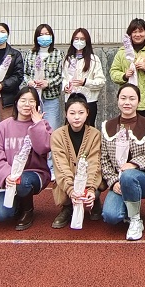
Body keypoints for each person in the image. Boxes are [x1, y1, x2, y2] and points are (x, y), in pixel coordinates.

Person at [100, 84, 145, 241]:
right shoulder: (107, 126)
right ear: (117, 100)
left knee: (128, 176)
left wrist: (133, 164)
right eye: (123, 98)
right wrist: (113, 182)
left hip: (144, 179)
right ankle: (128, 209)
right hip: (118, 181)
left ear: (138, 101)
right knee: (110, 216)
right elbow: (104, 160)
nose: (127, 102)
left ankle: (135, 219)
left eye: (132, 98)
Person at [0, 87, 52, 231]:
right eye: (23, 100)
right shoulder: (4, 126)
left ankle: (27, 210)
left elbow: (43, 148)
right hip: (9, 176)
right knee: (0, 215)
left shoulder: (42, 124)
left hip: (33, 173)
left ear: (37, 105)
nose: (27, 104)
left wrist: (37, 124)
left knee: (22, 181)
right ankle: (17, 201)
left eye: (31, 101)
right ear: (16, 102)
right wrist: (6, 175)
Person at [50, 94, 103, 229]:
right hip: (67, 181)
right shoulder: (57, 135)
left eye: (81, 112)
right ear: (66, 114)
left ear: (87, 113)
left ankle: (95, 201)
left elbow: (95, 163)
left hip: (87, 180)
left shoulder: (95, 134)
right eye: (72, 113)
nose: (77, 117)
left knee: (96, 187)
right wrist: (71, 189)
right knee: (63, 183)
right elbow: (60, 166)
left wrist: (90, 189)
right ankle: (67, 207)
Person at [110, 18, 145, 122]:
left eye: (140, 31)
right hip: (128, 103)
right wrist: (124, 76)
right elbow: (113, 73)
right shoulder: (122, 52)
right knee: (129, 130)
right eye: (134, 32)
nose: (138, 35)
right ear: (130, 34)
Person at [23, 23, 65, 133]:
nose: (44, 37)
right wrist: (30, 82)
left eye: (47, 34)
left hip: (51, 99)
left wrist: (48, 83)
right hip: (33, 98)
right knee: (32, 130)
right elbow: (25, 73)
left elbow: (61, 75)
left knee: (51, 130)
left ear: (51, 36)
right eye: (41, 35)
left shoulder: (58, 54)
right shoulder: (30, 53)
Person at [61, 28, 106, 127]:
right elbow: (64, 78)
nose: (79, 41)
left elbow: (101, 81)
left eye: (82, 39)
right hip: (71, 101)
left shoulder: (94, 59)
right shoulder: (67, 59)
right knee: (71, 129)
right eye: (76, 39)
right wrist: (65, 87)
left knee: (88, 130)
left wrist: (85, 82)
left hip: (88, 101)